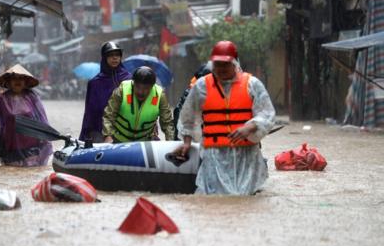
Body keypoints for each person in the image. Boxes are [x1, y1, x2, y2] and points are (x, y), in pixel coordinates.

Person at [173, 41, 275, 195]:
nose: (220, 69)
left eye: (225, 64)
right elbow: (187, 118)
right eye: (217, 64)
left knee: (245, 201)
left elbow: (267, 113)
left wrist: (251, 126)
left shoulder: (252, 84)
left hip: (246, 157)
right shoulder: (201, 86)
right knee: (215, 200)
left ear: (234, 63)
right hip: (214, 156)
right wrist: (186, 143)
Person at [0, 64, 52, 167]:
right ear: (8, 82)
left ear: (25, 81)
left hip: (32, 144)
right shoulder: (1, 99)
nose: (18, 81)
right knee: (12, 170)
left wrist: (45, 135)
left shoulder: (32, 98)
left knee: (31, 170)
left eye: (21, 78)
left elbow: (42, 118)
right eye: (14, 78)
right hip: (10, 144)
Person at [102, 66, 174, 143]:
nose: (141, 92)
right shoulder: (122, 90)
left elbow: (167, 123)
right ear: (133, 83)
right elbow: (109, 115)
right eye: (138, 87)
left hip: (145, 143)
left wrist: (171, 142)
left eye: (146, 88)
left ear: (152, 86)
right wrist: (108, 136)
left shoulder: (159, 95)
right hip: (119, 140)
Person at [79, 41, 132, 143]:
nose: (115, 58)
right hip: (99, 130)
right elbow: (90, 112)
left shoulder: (129, 79)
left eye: (117, 55)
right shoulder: (95, 83)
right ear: (104, 58)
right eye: (111, 55)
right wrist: (88, 133)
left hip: (125, 129)